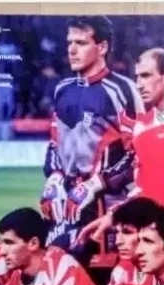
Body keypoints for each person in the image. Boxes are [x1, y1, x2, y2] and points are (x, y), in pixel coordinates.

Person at [73, 47, 164, 246]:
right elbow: (144, 187)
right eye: (137, 77)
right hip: (157, 237)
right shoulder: (142, 127)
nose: (138, 84)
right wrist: (114, 214)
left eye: (145, 76)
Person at [40, 16, 144, 267]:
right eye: (69, 42)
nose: (72, 50)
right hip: (66, 204)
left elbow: (139, 155)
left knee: (104, 278)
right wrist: (54, 177)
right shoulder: (62, 89)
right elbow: (54, 143)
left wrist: (96, 183)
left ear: (102, 47)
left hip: (106, 206)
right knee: (62, 276)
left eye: (81, 43)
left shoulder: (123, 90)